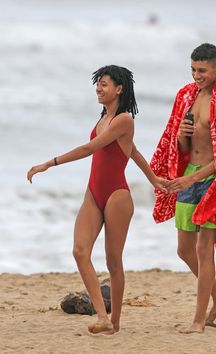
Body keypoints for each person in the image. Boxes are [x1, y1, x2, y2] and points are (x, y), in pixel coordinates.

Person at [27, 65, 167, 335]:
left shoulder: (125, 119)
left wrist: (49, 163)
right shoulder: (104, 117)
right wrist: (153, 179)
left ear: (119, 88)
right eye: (97, 84)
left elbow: (91, 148)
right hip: (94, 193)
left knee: (113, 262)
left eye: (104, 84)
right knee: (80, 251)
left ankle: (115, 323)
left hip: (117, 195)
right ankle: (103, 317)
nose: (99, 89)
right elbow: (133, 150)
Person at [150, 43, 216, 333]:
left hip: (213, 183)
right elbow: (183, 147)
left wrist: (191, 179)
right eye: (193, 70)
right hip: (189, 175)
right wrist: (181, 137)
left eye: (202, 70)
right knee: (184, 249)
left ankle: (198, 321)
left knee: (203, 250)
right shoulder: (185, 96)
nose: (197, 76)